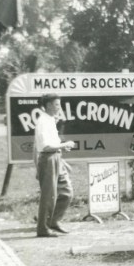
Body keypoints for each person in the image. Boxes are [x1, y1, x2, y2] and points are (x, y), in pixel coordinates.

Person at [34, 93, 76, 238]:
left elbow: (53, 144)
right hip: (48, 158)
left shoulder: (50, 120)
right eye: (57, 104)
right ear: (49, 105)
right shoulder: (43, 122)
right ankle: (43, 229)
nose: (59, 107)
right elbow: (45, 147)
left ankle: (53, 221)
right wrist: (64, 145)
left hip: (56, 158)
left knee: (66, 193)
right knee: (49, 196)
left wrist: (62, 158)